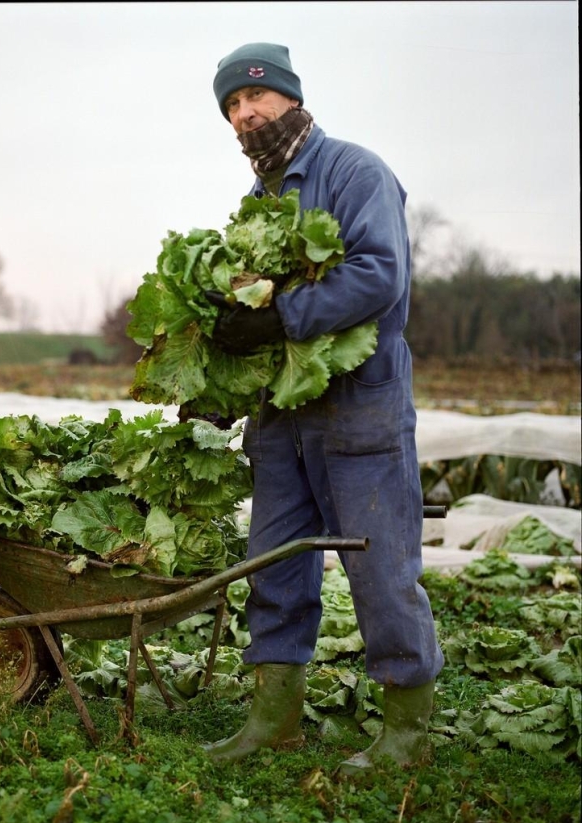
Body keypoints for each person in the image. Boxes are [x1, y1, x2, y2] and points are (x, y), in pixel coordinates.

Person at [201, 42, 444, 775]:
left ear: (289, 96)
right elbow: (246, 316)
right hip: (282, 419)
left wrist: (281, 317)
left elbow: (379, 273)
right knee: (273, 564)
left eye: (255, 96)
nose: (245, 114)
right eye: (231, 106)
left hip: (359, 409)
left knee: (379, 566)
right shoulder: (257, 203)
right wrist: (220, 389)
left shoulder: (353, 171)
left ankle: (406, 731)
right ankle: (273, 718)